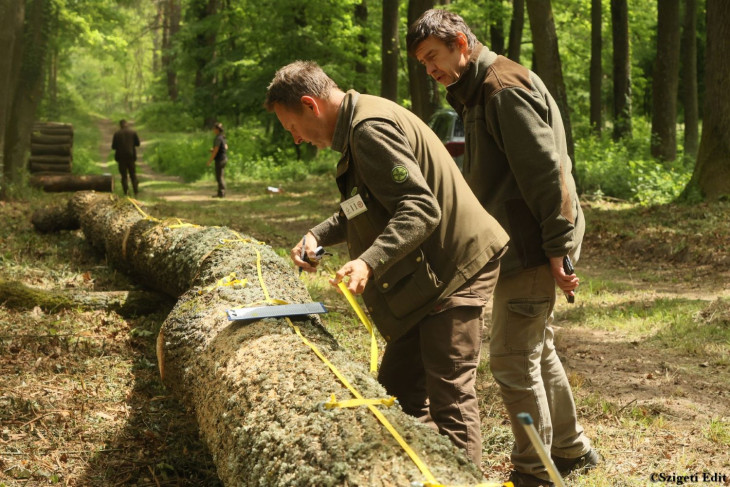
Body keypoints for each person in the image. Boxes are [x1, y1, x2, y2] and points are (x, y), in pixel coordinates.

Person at [265, 61, 509, 466]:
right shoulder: (359, 125)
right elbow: (367, 203)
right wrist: (319, 235)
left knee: (450, 391)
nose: (295, 139)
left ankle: (462, 472)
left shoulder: (369, 129)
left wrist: (368, 262)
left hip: (455, 268)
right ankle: (420, 469)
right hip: (429, 272)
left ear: (310, 105)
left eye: (291, 127)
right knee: (398, 391)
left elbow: (418, 208)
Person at [407, 9, 599, 487]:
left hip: (532, 245)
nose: (430, 70)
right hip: (517, 243)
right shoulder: (477, 90)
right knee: (535, 347)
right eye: (423, 64)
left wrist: (557, 249)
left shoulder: (501, 89)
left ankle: (536, 472)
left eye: (434, 57)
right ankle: (571, 450)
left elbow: (546, 173)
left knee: (513, 359)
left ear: (460, 43)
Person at [111, 119, 141, 196]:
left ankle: (126, 192)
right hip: (131, 156)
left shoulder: (117, 134)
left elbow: (113, 147)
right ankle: (136, 191)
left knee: (124, 176)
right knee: (133, 174)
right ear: (127, 124)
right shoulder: (133, 132)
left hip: (121, 157)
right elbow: (138, 144)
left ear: (120, 125)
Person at [206, 122, 228, 198]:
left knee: (219, 177)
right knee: (220, 176)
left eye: (214, 128)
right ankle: (220, 193)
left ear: (217, 129)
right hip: (224, 158)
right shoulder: (223, 137)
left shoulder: (217, 138)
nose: (213, 130)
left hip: (220, 159)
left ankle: (222, 193)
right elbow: (225, 147)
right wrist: (216, 150)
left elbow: (216, 151)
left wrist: (210, 161)